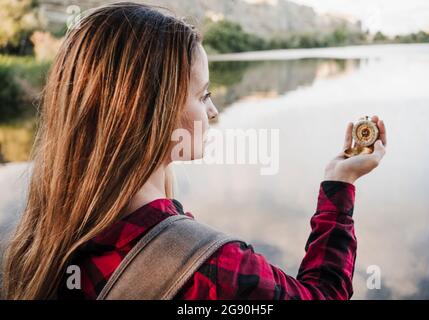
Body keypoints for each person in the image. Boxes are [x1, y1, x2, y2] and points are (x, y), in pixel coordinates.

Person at [1, 2, 387, 300]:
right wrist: (340, 185)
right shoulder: (206, 265)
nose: (214, 112)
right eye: (203, 95)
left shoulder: (45, 235)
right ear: (149, 108)